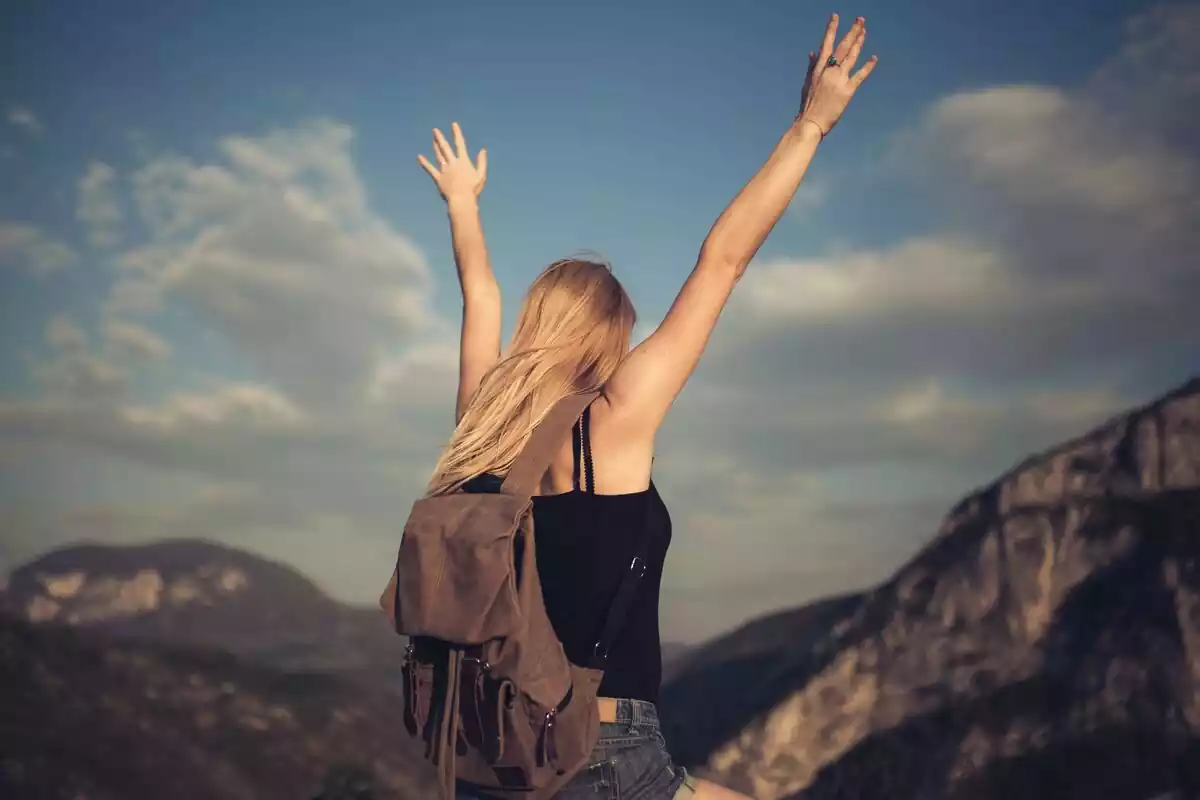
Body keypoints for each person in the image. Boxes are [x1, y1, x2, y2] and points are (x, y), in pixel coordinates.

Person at [415, 13, 876, 800]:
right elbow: (722, 261)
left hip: (497, 752)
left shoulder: (483, 429)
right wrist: (810, 126)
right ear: (606, 337)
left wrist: (463, 202)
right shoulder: (614, 417)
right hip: (599, 744)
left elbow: (479, 291)